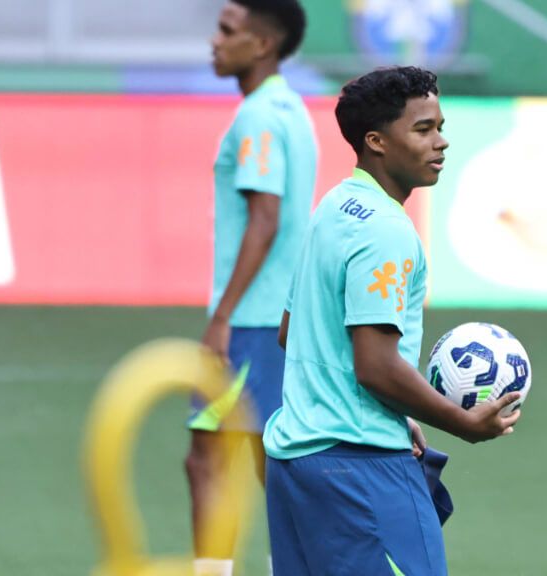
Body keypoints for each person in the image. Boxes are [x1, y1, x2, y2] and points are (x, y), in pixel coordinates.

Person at [262, 66, 521, 576]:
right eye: (423, 129)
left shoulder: (334, 207)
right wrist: (464, 423)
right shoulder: (386, 230)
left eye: (440, 126)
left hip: (294, 466)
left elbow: (291, 333)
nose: (441, 142)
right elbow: (376, 367)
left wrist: (398, 413)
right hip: (359, 470)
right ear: (376, 142)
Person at [184, 1, 315, 575]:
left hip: (253, 320)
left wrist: (222, 316)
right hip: (280, 314)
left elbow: (265, 217)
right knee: (269, 459)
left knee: (208, 459)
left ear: (262, 44)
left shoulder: (259, 118)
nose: (214, 41)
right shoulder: (291, 109)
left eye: (227, 31)